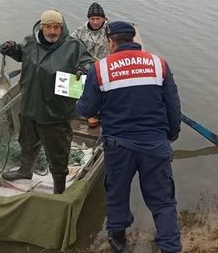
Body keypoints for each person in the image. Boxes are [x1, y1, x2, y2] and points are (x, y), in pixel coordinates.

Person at [76, 21, 182, 253]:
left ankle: (118, 239)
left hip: (118, 145)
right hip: (154, 144)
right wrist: (172, 134)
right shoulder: (159, 64)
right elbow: (173, 106)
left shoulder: (100, 69)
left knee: (117, 191)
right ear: (134, 41)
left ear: (111, 42)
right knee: (162, 199)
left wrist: (82, 98)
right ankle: (170, 246)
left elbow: (86, 110)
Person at [0, 10, 94, 194]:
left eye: (56, 27)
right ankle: (25, 171)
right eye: (48, 27)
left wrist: (84, 70)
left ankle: (59, 189)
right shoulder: (30, 42)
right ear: (41, 27)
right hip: (29, 107)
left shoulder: (73, 46)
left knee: (58, 152)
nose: (52, 31)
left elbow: (88, 62)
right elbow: (21, 53)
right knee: (26, 142)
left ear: (62, 27)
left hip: (55, 113)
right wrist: (12, 49)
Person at [71, 2, 110, 128]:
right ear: (88, 19)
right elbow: (70, 44)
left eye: (98, 18)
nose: (95, 22)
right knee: (74, 77)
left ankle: (96, 113)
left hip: (104, 66)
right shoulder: (80, 31)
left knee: (100, 88)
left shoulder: (110, 31)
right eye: (92, 19)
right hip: (84, 65)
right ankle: (75, 105)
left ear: (103, 18)